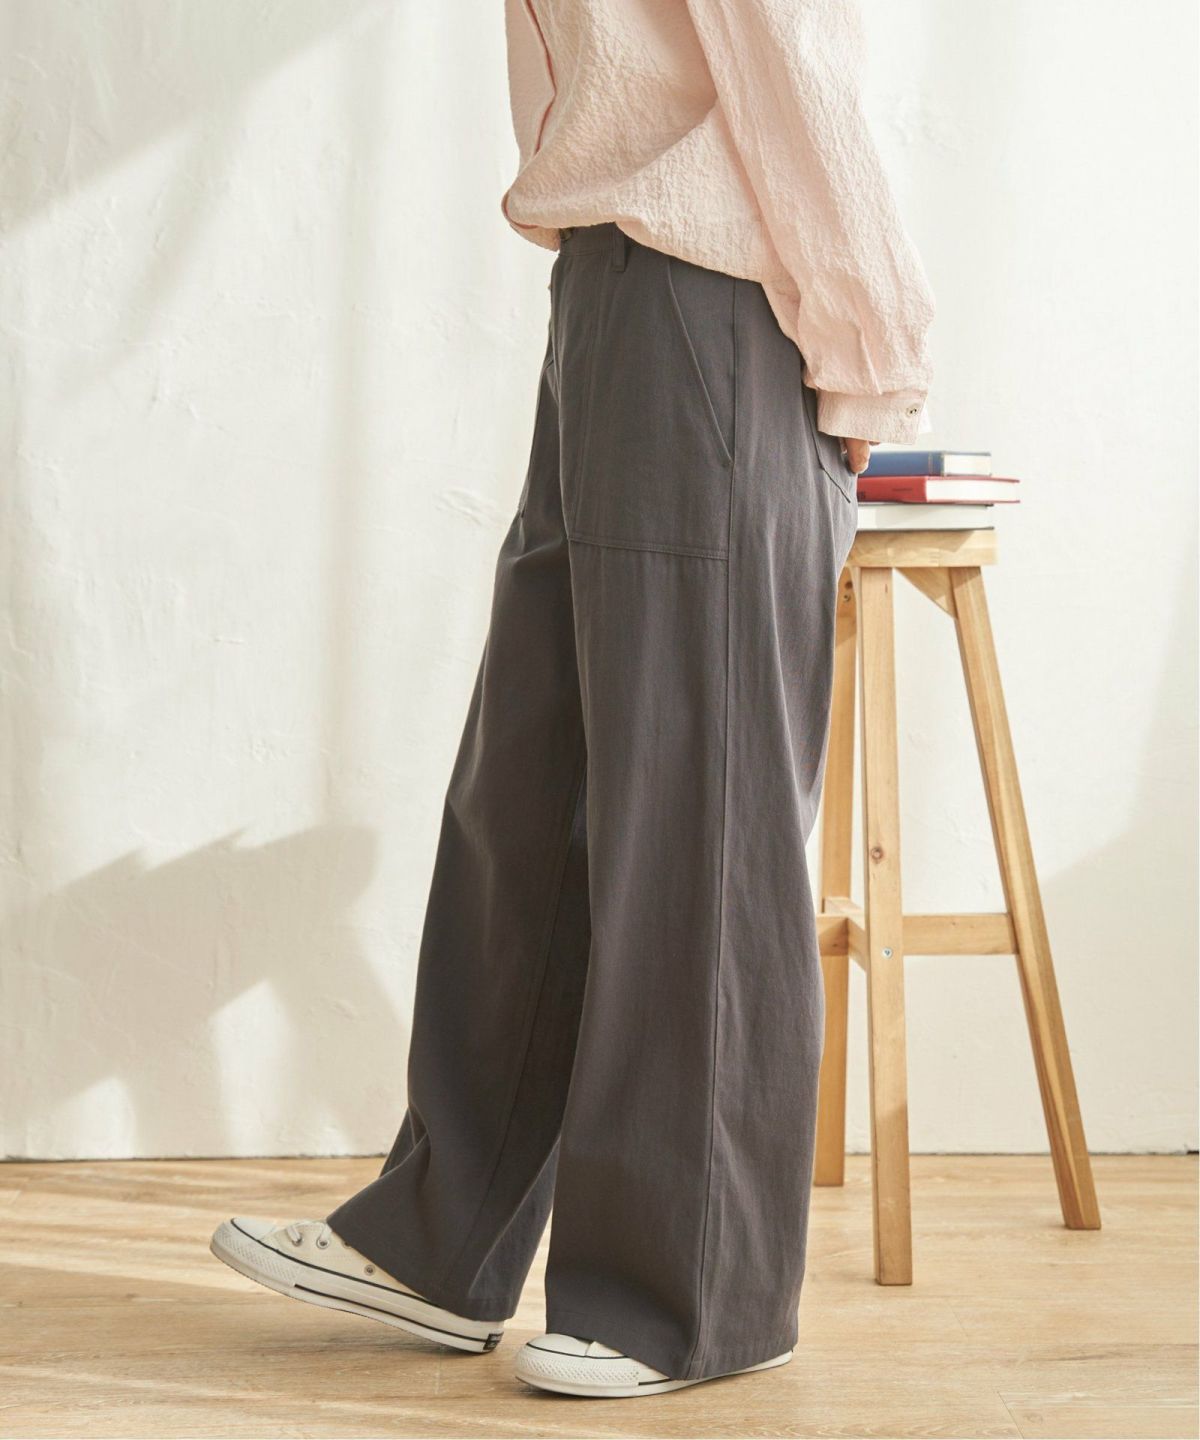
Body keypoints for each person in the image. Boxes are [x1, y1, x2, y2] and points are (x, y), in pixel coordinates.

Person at [210, 0, 935, 1400]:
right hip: (616, 285)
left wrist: (874, 348)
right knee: (531, 793)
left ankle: (693, 1296)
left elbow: (789, 66)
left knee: (691, 815)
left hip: (723, 295)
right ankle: (441, 1239)